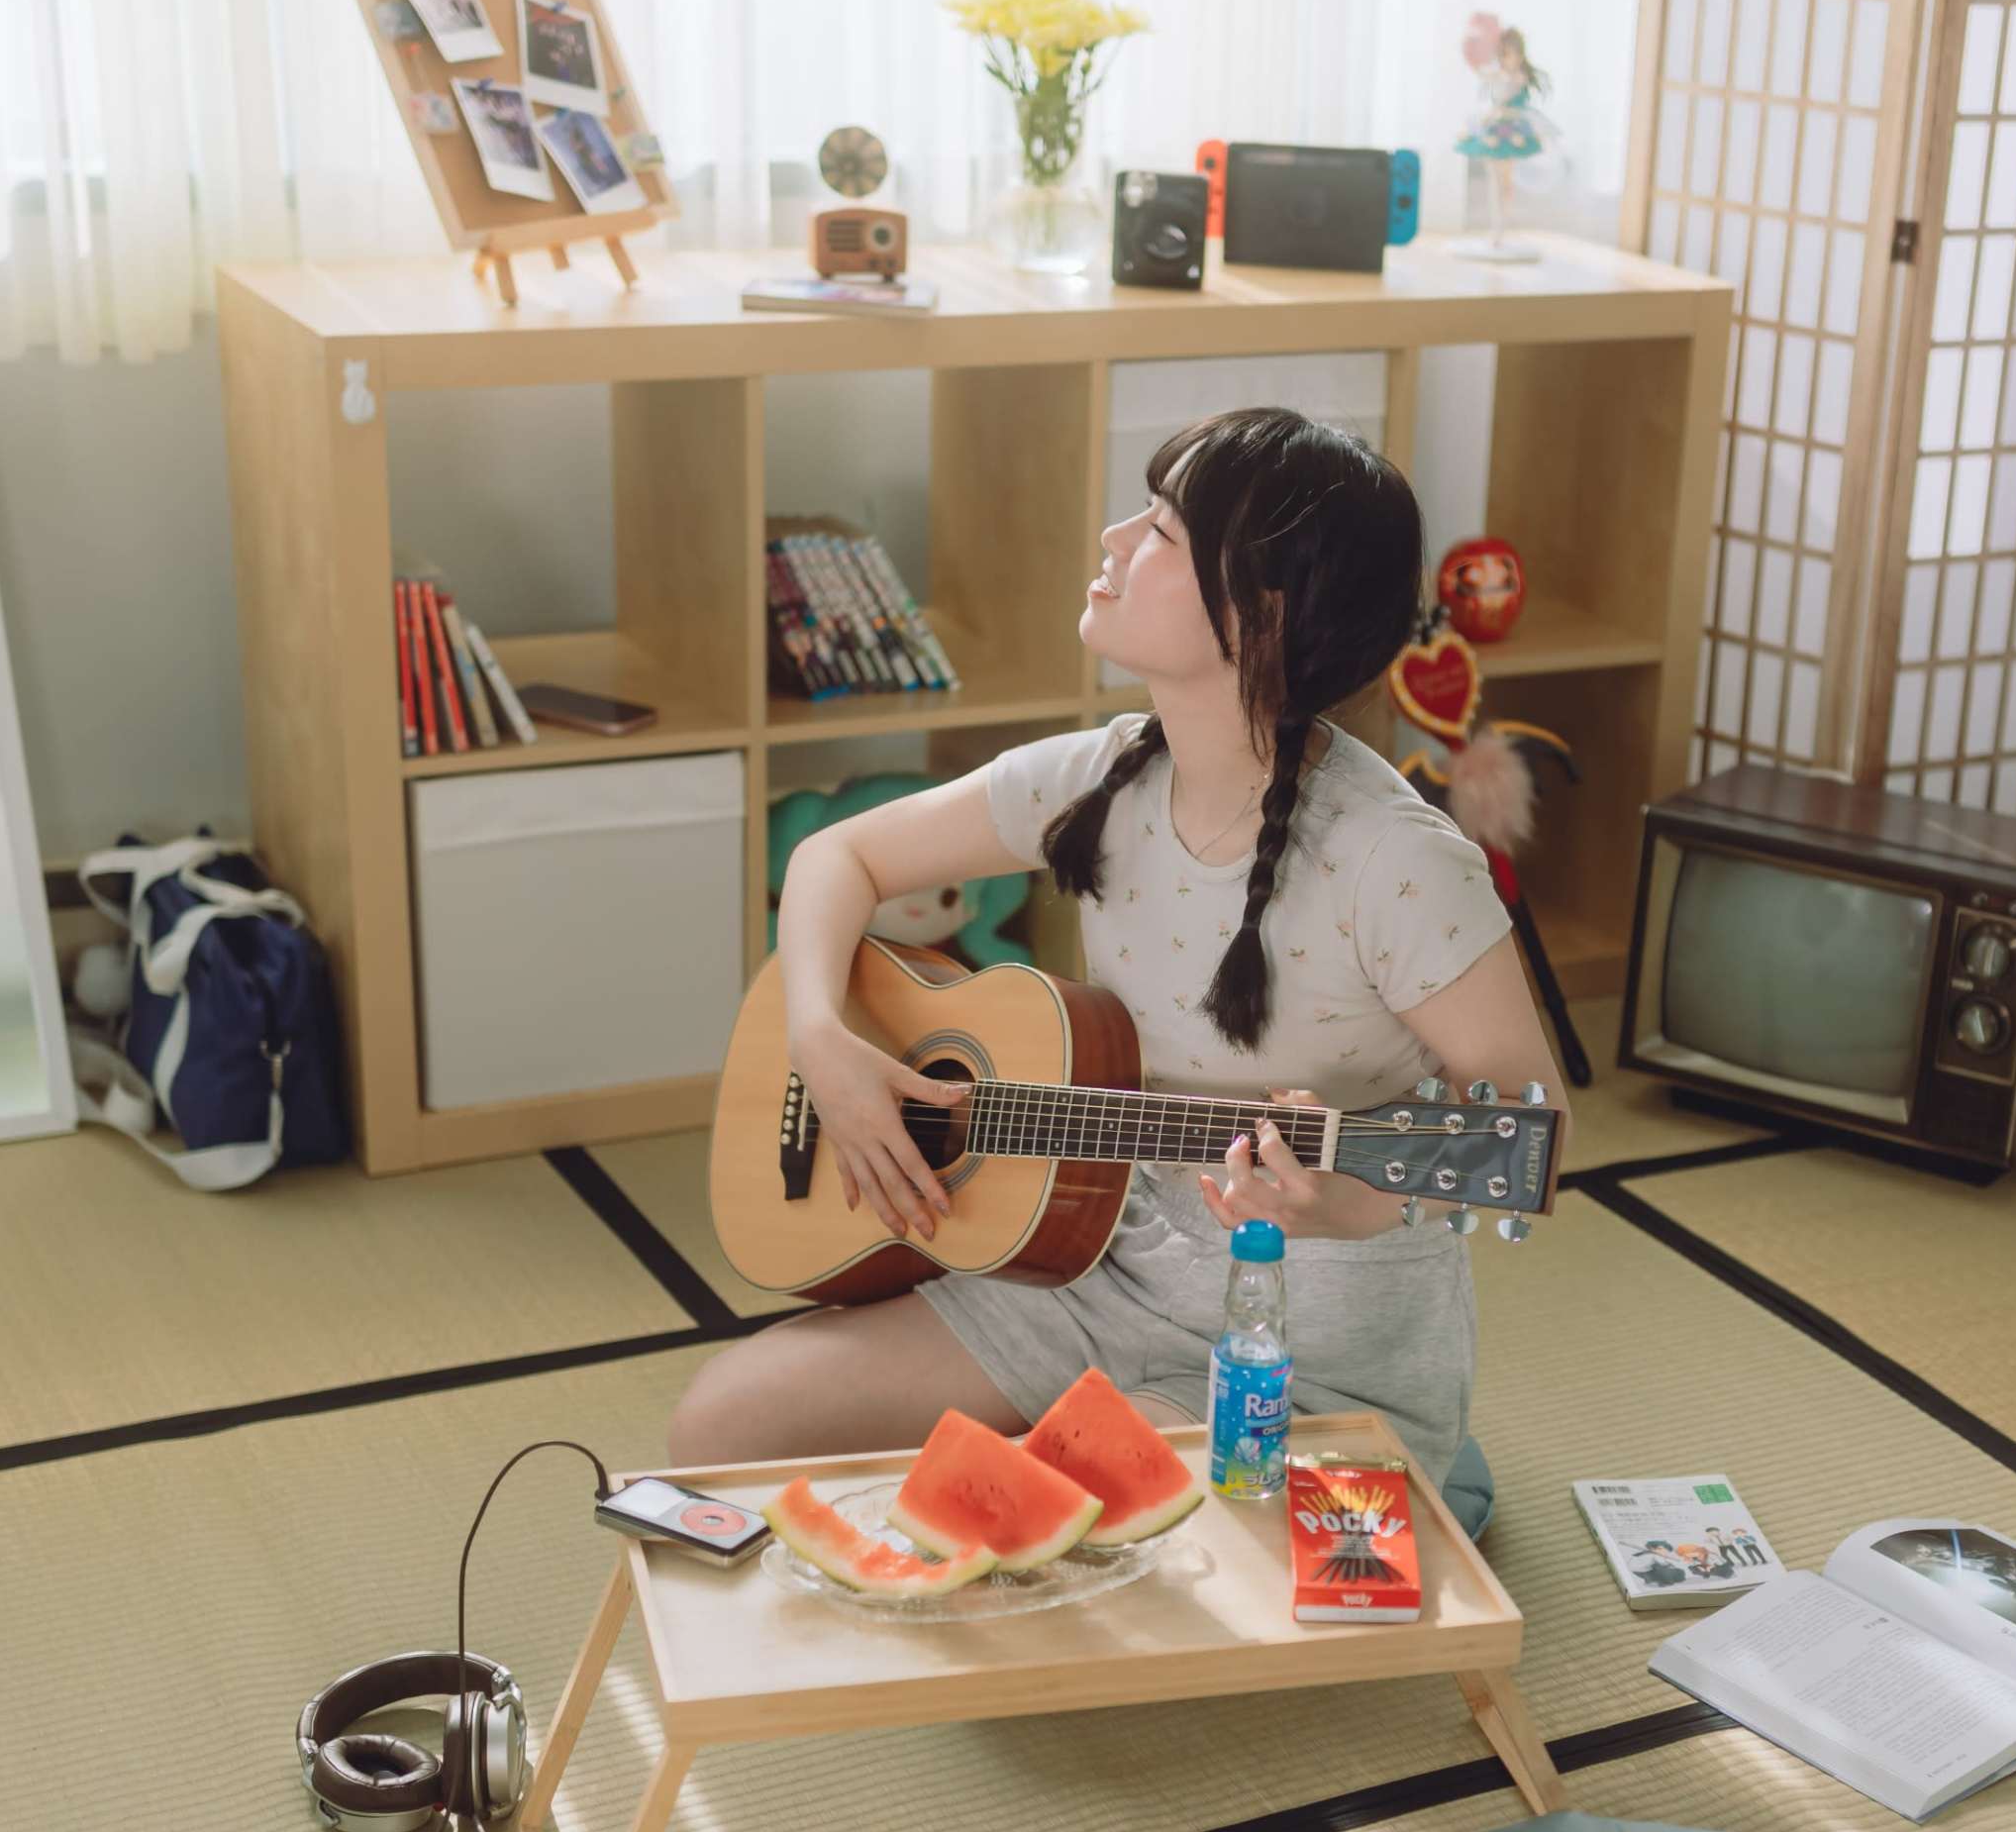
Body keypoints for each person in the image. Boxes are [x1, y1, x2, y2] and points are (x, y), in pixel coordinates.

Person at [667, 406, 1562, 1476]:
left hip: (1307, 1341)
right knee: (721, 1426)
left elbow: (1530, 1140)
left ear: (1262, 615)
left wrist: (1349, 1203)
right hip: (1090, 1274)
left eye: (1164, 532)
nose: (1113, 540)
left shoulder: (1401, 863)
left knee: (1075, 1544)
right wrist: (821, 1037)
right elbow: (833, 859)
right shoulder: (1103, 773)